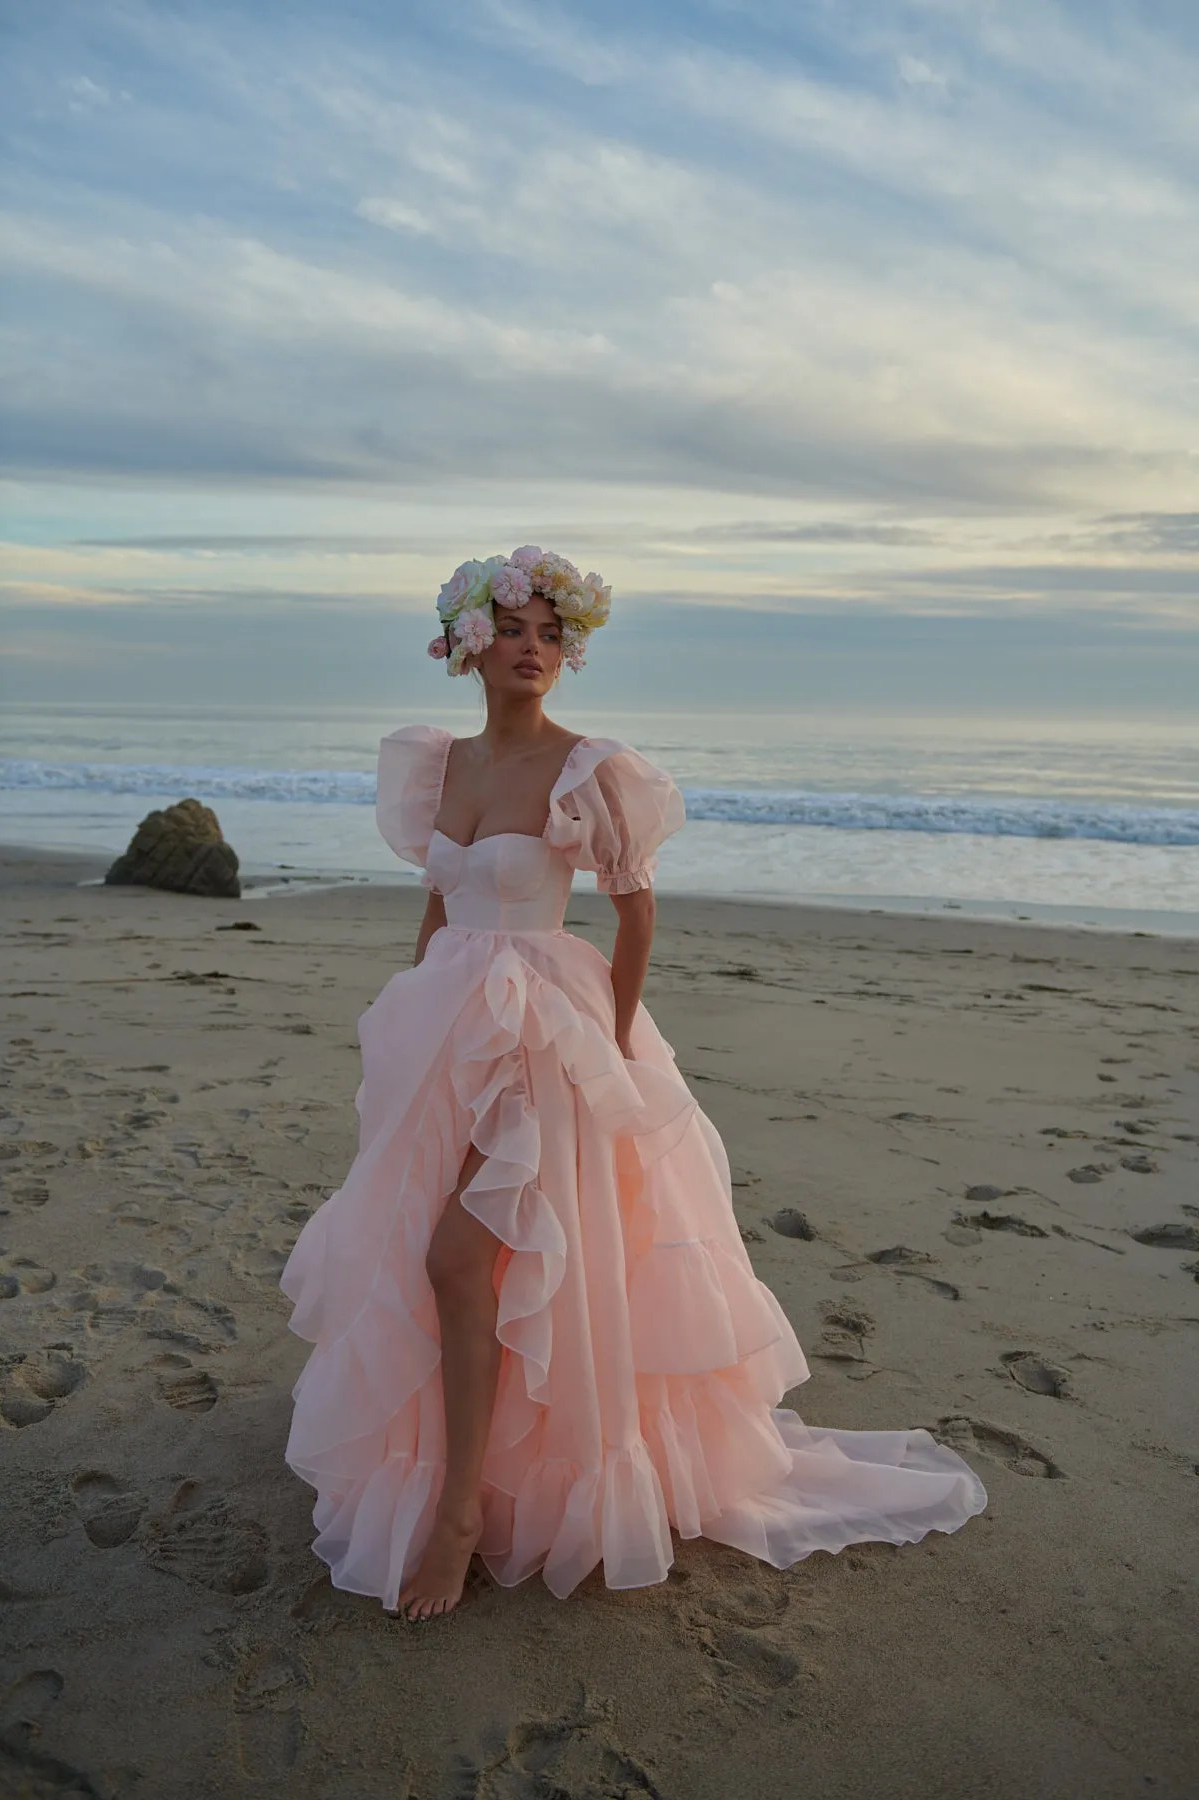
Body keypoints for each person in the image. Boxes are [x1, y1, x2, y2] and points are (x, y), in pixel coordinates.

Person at [279, 547, 986, 1622]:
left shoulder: (587, 769)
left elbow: (635, 914)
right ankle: (471, 1476)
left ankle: (459, 1517)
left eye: (551, 635)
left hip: (545, 1032)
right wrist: (411, 1013)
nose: (533, 650)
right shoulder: (448, 764)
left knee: (462, 1259)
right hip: (444, 1027)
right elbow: (439, 901)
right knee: (441, 1261)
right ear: (471, 643)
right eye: (512, 628)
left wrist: (605, 1054)